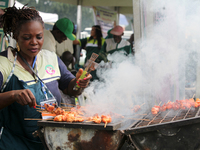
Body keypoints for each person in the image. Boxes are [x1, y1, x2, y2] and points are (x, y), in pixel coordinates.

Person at [0, 4, 91, 150]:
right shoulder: (3, 63)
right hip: (13, 143)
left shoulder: (51, 58)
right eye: (27, 37)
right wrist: (13, 95)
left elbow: (70, 88)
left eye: (39, 37)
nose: (34, 42)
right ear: (16, 36)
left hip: (50, 141)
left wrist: (79, 84)